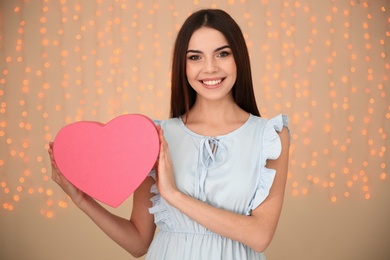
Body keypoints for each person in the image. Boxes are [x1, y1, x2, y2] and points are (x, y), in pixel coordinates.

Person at [49, 8, 290, 260]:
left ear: (238, 57)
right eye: (195, 57)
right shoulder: (155, 137)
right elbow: (139, 243)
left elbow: (259, 236)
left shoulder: (271, 137)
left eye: (222, 54)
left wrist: (173, 195)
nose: (210, 68)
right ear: (182, 66)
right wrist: (82, 201)